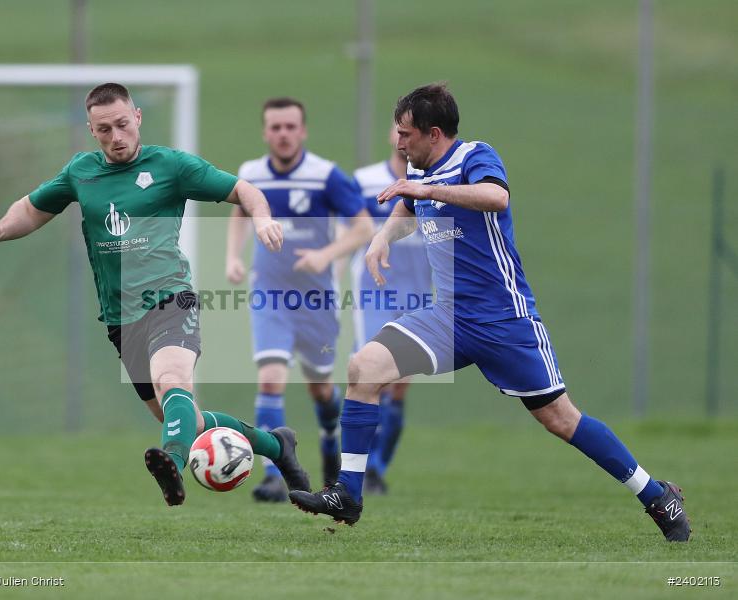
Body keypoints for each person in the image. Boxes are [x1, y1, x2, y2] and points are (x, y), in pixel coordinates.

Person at [289, 83, 690, 542]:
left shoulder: (475, 155)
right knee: (364, 367)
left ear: (433, 133)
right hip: (448, 318)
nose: (398, 143)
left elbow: (495, 197)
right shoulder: (422, 173)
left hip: (504, 320)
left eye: (405, 133)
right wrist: (382, 237)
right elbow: (409, 204)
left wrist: (424, 187)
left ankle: (657, 495)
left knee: (561, 419)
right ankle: (349, 493)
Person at [0, 83, 310, 506]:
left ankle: (170, 462)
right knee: (181, 416)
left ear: (137, 117)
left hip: (172, 298)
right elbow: (31, 208)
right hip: (121, 317)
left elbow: (245, 190)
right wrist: (1, 228)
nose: (115, 137)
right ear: (92, 131)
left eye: (121, 124)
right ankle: (279, 446)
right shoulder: (81, 172)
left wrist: (262, 222)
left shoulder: (170, 165)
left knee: (173, 382)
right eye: (103, 130)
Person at [226, 97, 373, 501]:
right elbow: (239, 213)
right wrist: (232, 257)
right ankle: (274, 474)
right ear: (265, 132)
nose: (283, 134)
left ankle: (329, 435)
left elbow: (362, 229)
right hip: (270, 295)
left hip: (317, 302)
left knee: (321, 389)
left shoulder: (325, 175)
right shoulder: (251, 174)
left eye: (291, 126)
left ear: (303, 131)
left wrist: (325, 256)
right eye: (275, 127)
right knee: (271, 377)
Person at [350, 125, 432, 495]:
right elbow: (347, 230)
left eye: (409, 131)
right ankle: (360, 467)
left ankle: (377, 468)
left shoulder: (436, 181)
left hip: (418, 294)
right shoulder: (365, 181)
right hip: (374, 292)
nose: (403, 139)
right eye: (398, 130)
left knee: (399, 387)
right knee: (373, 377)